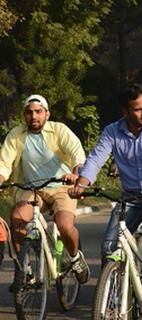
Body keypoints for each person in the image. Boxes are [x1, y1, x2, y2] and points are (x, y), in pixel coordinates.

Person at [72, 84, 142, 294]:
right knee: (109, 247)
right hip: (131, 196)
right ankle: (112, 304)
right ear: (125, 111)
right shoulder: (113, 131)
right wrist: (81, 184)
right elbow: (96, 159)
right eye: (138, 109)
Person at [0, 95, 89, 283]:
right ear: (24, 115)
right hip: (32, 189)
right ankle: (25, 270)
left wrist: (75, 174)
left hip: (61, 187)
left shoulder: (59, 130)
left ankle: (75, 258)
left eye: (38, 112)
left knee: (64, 224)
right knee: (17, 219)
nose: (34, 116)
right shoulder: (16, 134)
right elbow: (4, 163)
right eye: (29, 112)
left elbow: (77, 153)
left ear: (47, 114)